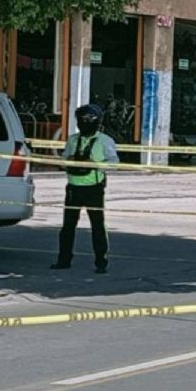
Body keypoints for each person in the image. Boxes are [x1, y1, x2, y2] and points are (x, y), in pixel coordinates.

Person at [51, 104, 119, 273]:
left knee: (97, 226)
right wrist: (69, 161)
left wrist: (95, 165)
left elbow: (114, 164)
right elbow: (64, 160)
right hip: (73, 188)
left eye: (90, 119)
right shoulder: (73, 140)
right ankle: (63, 259)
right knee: (67, 227)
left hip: (93, 188)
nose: (85, 122)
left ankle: (101, 262)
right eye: (82, 119)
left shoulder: (105, 141)